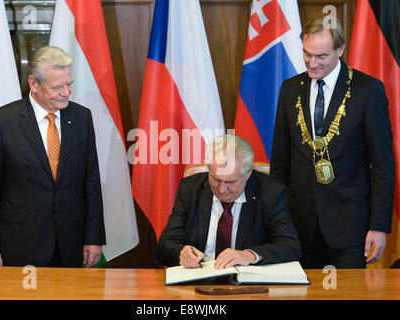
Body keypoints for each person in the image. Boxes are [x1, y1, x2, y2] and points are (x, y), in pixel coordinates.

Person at [270, 16, 395, 268]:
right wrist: (276, 221)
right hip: (298, 225)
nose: (312, 63)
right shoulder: (290, 89)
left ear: (340, 50)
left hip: (350, 227)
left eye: (321, 56)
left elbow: (383, 166)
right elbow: (281, 162)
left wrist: (378, 227)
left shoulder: (368, 90)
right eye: (307, 54)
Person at [0, 46, 106, 267]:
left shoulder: (82, 117)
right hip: (18, 245)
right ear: (34, 84)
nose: (66, 92)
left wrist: (94, 237)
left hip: (69, 244)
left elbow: (90, 183)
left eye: (69, 84)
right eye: (57, 87)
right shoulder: (1, 123)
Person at [156, 135, 301, 269]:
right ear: (209, 169)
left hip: (248, 288)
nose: (221, 189)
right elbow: (164, 247)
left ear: (248, 173)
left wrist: (249, 255)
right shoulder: (190, 189)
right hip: (199, 282)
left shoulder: (271, 192)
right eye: (215, 179)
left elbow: (290, 246)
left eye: (230, 182)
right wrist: (182, 254)